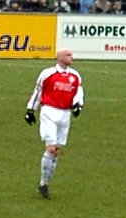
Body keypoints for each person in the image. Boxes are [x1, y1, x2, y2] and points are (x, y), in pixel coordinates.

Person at [24, 48, 84, 198]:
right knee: (50, 148)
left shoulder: (75, 75)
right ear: (60, 57)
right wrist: (30, 110)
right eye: (68, 55)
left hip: (65, 114)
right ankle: (43, 185)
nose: (72, 57)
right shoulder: (47, 73)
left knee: (56, 151)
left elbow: (78, 92)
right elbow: (38, 91)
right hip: (49, 112)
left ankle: (44, 184)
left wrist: (78, 105)